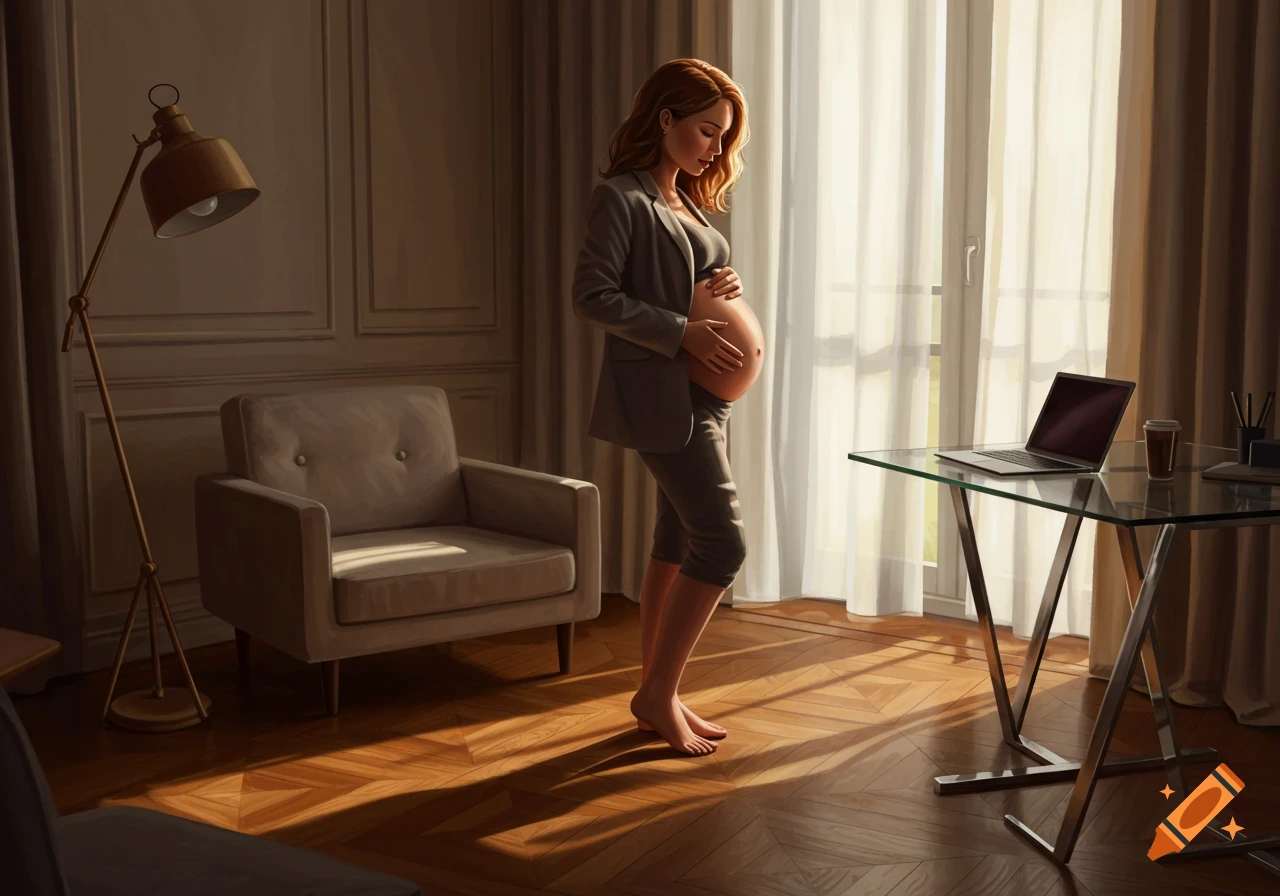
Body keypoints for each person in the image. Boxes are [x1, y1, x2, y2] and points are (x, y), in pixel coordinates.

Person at [571, 58, 756, 756]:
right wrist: (682, 330)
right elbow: (592, 296)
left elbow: (679, 278)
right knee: (722, 541)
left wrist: (719, 276)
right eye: (707, 130)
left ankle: (661, 694)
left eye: (724, 136)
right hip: (665, 394)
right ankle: (654, 693)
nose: (715, 147)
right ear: (665, 118)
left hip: (708, 398)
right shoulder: (619, 198)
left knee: (677, 539)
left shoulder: (684, 201)